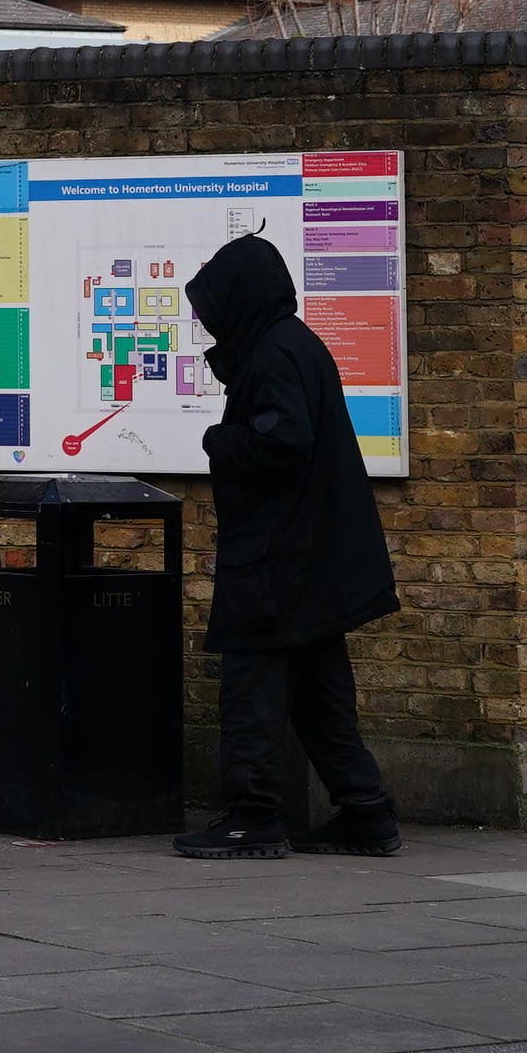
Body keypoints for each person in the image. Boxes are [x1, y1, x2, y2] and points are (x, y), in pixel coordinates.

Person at [176, 232, 404, 863]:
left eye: (216, 311)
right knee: (318, 695)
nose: (211, 326)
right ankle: (366, 812)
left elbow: (283, 442)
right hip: (313, 558)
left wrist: (220, 444)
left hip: (279, 559)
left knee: (251, 683)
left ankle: (253, 816)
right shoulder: (293, 344)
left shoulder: (274, 353)